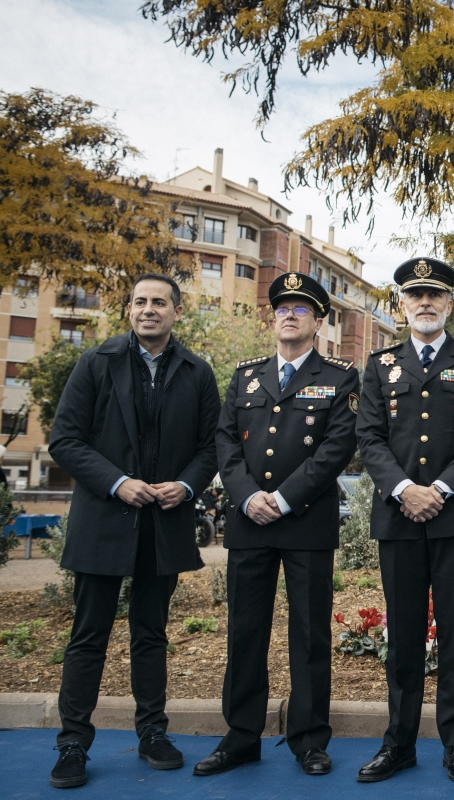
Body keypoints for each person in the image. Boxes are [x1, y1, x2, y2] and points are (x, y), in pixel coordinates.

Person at [47, 273, 220, 789]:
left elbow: (212, 447)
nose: (149, 309)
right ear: (129, 310)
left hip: (162, 526)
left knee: (151, 635)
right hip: (104, 521)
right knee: (87, 639)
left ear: (176, 312)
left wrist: (186, 486)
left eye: (160, 303)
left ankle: (152, 733)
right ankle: (72, 743)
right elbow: (65, 440)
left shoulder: (197, 372)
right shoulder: (95, 362)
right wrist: (118, 483)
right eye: (141, 301)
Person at [194, 272, 359, 778]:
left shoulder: (340, 375)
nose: (289, 315)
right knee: (245, 632)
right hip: (250, 523)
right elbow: (225, 442)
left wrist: (283, 499)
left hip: (305, 521)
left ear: (318, 322)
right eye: (282, 308)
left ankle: (308, 738)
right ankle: (241, 736)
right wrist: (246, 497)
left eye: (301, 309)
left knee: (309, 635)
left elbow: (336, 449)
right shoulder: (246, 375)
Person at [355, 257, 454, 784]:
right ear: (401, 305)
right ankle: (398, 742)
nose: (424, 303)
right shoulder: (379, 366)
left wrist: (438, 490)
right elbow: (368, 437)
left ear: (449, 304)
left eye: (434, 295)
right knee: (404, 634)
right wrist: (403, 490)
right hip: (398, 518)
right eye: (415, 295)